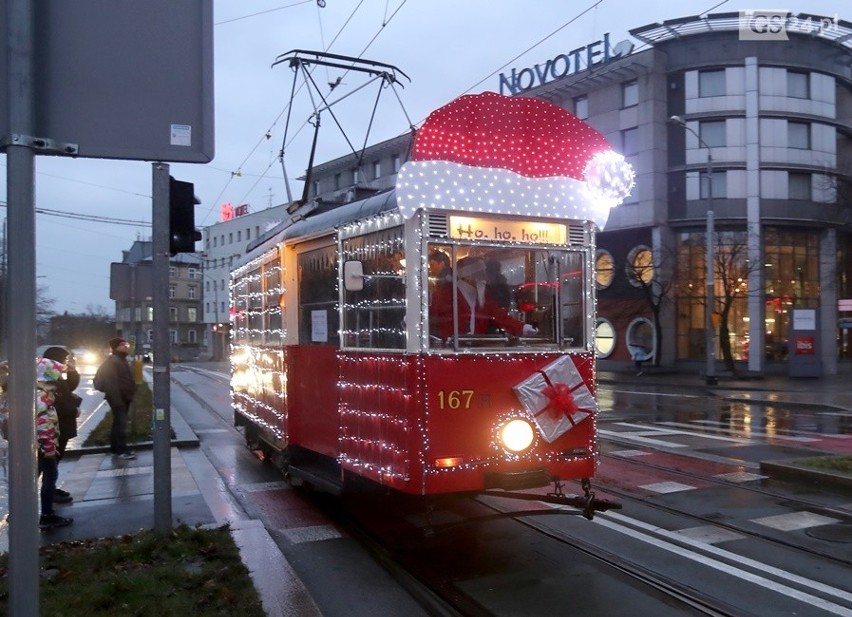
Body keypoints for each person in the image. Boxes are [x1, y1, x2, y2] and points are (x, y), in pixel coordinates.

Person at [430, 255, 537, 341]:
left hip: (476, 349)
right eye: (479, 274)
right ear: (468, 275)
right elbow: (433, 322)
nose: (484, 278)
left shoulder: (483, 296)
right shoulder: (444, 294)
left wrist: (523, 328)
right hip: (450, 350)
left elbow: (499, 316)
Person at [36, 356, 74, 529]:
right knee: (50, 477)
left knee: (34, 476)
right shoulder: (41, 397)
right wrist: (50, 448)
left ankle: (21, 511)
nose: (58, 379)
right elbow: (43, 424)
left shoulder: (37, 392)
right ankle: (47, 515)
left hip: (38, 445)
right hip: (44, 446)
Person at [42, 346, 81, 504]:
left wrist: (72, 371)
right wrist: (74, 410)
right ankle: (46, 496)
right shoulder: (47, 378)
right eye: (65, 359)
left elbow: (68, 387)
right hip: (54, 428)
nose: (67, 362)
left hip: (59, 427)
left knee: (53, 464)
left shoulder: (53, 375)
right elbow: (56, 401)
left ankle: (50, 488)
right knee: (48, 465)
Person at [94, 337, 137, 460]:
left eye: (126, 344)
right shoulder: (113, 362)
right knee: (120, 425)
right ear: (116, 347)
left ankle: (115, 449)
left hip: (124, 397)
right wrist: (117, 401)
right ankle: (120, 450)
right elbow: (111, 383)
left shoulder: (122, 360)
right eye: (123, 345)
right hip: (118, 398)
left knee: (118, 423)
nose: (126, 347)